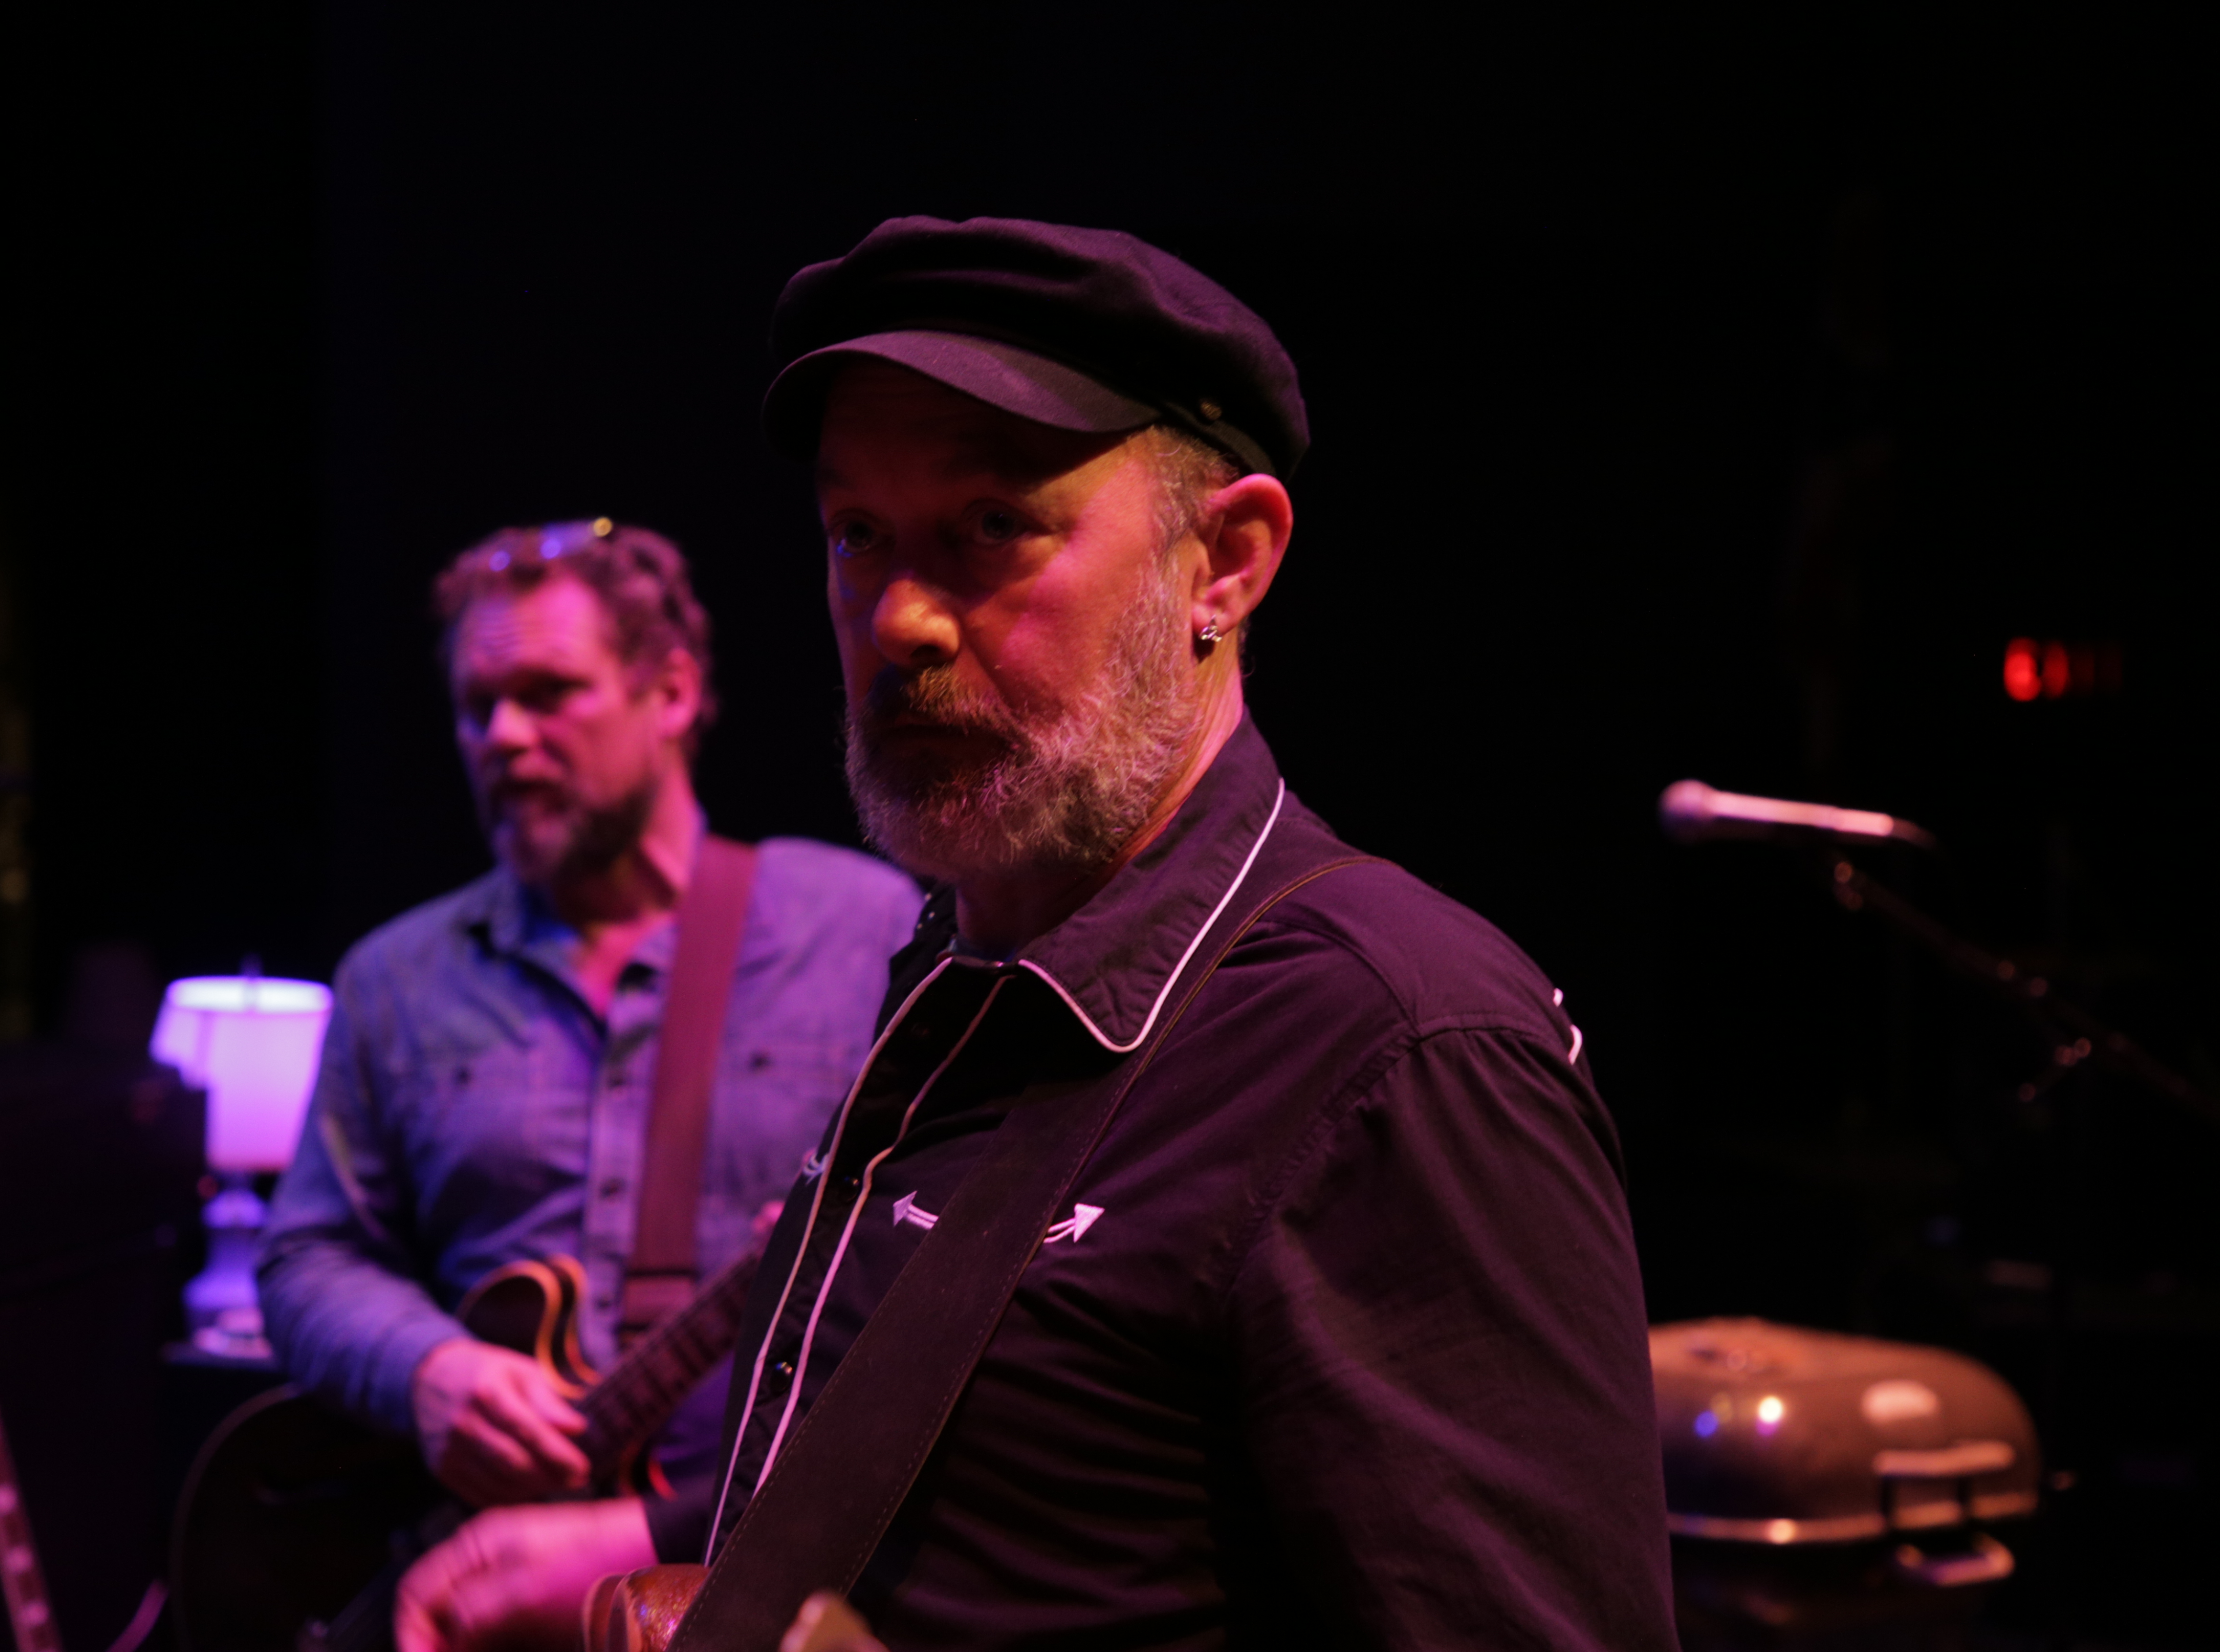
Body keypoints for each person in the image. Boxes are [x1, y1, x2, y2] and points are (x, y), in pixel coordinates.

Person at [399, 221, 1676, 1649]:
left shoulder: (1404, 1049)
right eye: (858, 533)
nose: (901, 617)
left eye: (993, 525)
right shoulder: (957, 973)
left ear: (1225, 564)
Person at [259, 518, 924, 1607]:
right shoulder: (393, 979)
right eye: (478, 706)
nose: (504, 737)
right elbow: (306, 1257)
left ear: (671, 693)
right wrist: (429, 1369)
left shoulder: (859, 928)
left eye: (548, 692)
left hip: (756, 1567)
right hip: (466, 1559)